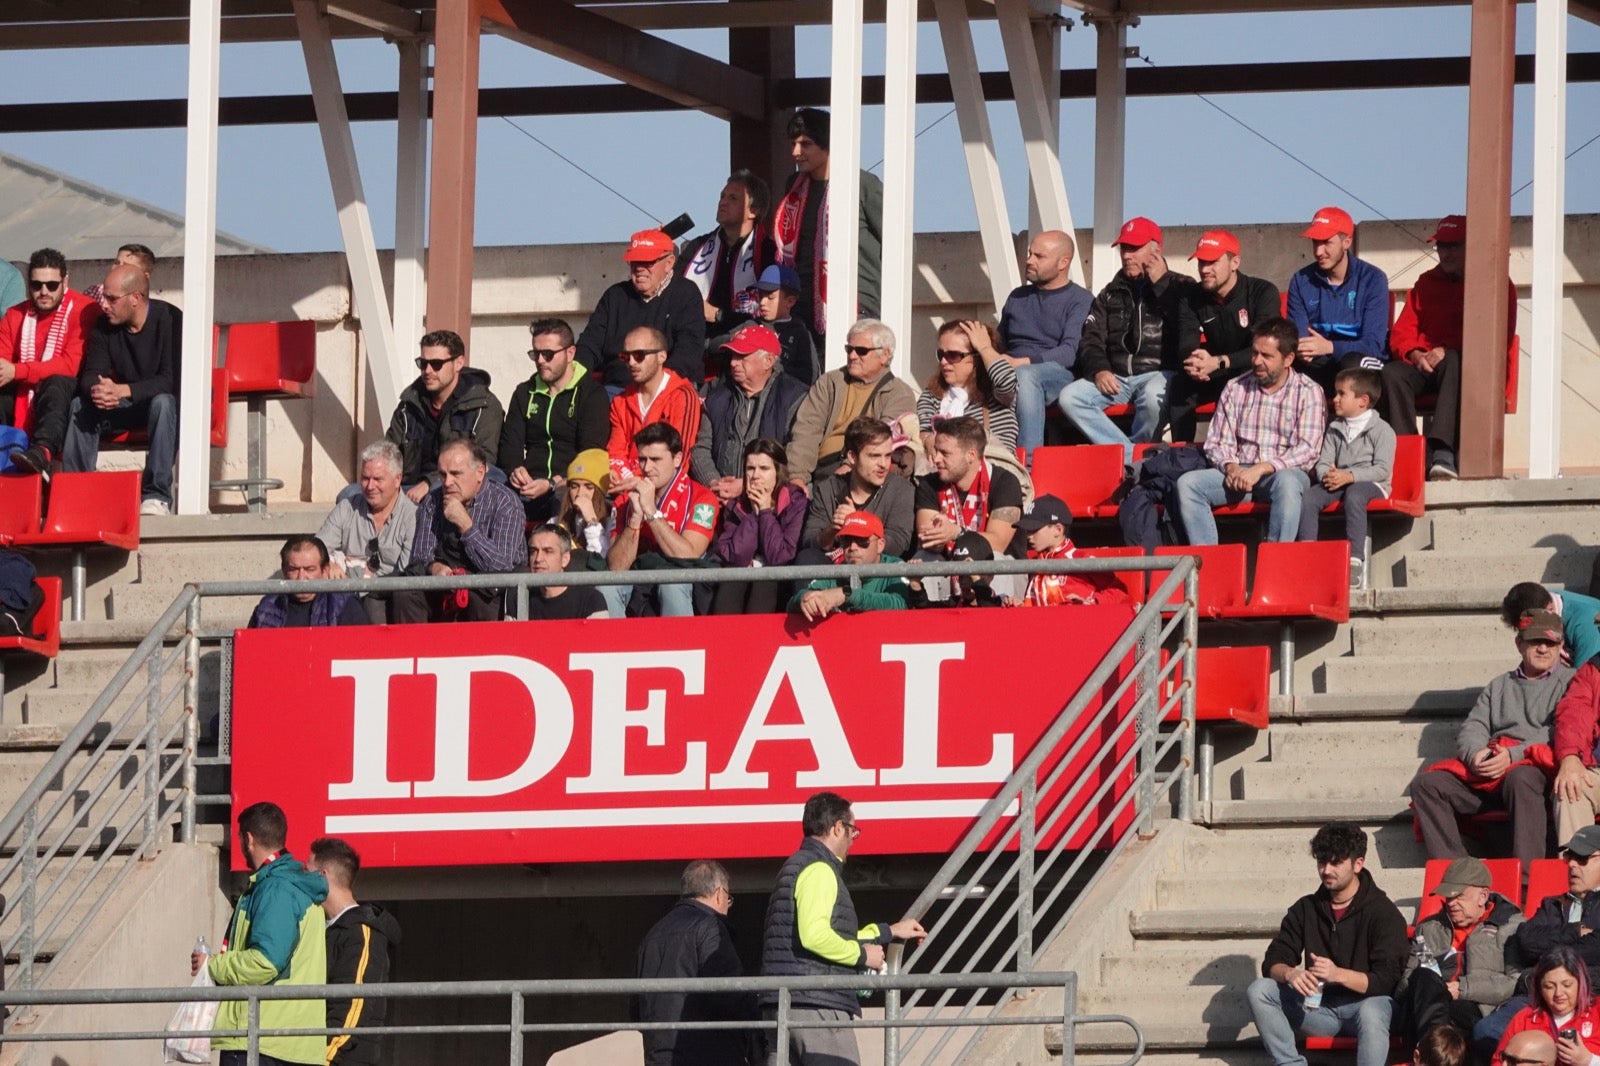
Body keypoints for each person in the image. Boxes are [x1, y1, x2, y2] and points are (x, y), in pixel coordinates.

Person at [758, 792, 925, 1066]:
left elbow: (828, 934)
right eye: (853, 831)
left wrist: (888, 932)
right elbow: (815, 936)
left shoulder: (796, 867)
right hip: (817, 1007)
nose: (852, 840)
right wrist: (862, 956)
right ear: (837, 828)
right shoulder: (819, 870)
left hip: (786, 1004)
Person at [1410, 609, 1571, 873]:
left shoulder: (1570, 681)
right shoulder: (1499, 685)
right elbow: (1474, 726)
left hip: (1536, 776)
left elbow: (1560, 730)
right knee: (1427, 784)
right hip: (1490, 775)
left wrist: (1513, 756)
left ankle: (1528, 879)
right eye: (1534, 641)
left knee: (1523, 778)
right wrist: (1476, 755)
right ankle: (1459, 874)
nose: (1543, 648)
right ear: (1519, 644)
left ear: (1561, 645)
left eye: (1551, 642)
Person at [1246, 822, 1409, 1066]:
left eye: (1335, 863)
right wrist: (1289, 973)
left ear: (1358, 864)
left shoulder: (1383, 912)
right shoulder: (1306, 908)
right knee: (1260, 990)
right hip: (1319, 1010)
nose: (1326, 870)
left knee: (1373, 1010)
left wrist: (1338, 974)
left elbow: (1388, 981)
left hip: (1369, 1009)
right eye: (1322, 862)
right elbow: (1274, 960)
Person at [1384, 215, 1519, 481]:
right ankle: (1409, 453)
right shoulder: (1425, 283)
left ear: (1472, 246)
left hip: (1470, 370)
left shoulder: (1497, 284)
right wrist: (1415, 353)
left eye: (1453, 246)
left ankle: (1442, 450)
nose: (1445, 253)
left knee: (1454, 360)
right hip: (1426, 367)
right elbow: (1401, 333)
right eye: (1441, 247)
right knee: (1392, 374)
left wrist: (1448, 349)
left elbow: (1498, 337)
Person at [197, 801, 328, 1066]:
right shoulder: (295, 886)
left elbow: (266, 962)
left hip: (262, 1042)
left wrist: (212, 966)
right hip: (291, 1043)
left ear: (248, 839)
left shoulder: (276, 889)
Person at [1175, 318, 1326, 546]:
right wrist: (1231, 466)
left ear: (1288, 359)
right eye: (1255, 353)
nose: (1257, 361)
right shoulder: (1236, 387)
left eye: (1266, 356)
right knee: (1188, 484)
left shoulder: (1309, 391)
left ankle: (1275, 565)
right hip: (1240, 471)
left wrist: (1262, 468)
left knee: (1288, 484)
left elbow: (1308, 449)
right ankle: (1208, 567)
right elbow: (1217, 441)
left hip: (1281, 473)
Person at [1059, 216, 1191, 465]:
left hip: (1159, 374)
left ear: (1156, 250)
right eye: (1124, 248)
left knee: (1153, 398)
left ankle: (1132, 459)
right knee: (1070, 397)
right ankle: (1134, 457)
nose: (1127, 255)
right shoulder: (1110, 292)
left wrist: (1161, 285)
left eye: (1134, 248)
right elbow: (1091, 339)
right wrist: (1099, 369)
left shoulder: (1182, 286)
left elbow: (1185, 331)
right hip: (1116, 377)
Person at [65, 263, 180, 515]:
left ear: (136, 298)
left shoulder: (171, 320)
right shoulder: (104, 325)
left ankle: (156, 496)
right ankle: (75, 492)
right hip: (125, 406)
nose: (104, 304)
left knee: (164, 402)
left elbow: (170, 380)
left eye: (112, 298)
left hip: (162, 408)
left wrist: (123, 390)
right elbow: (90, 374)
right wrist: (100, 389)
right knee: (79, 406)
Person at [1393, 857, 1524, 1057]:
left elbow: (1515, 983)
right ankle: (1435, 1056)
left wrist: (1462, 988)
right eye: (1447, 898)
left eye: (1459, 896)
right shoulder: (1429, 928)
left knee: (1437, 1008)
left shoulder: (1511, 927)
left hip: (1475, 1007)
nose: (1451, 903)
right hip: (1427, 1002)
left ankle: (1430, 1055)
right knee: (1423, 976)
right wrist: (1431, 987)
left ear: (1483, 896)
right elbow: (1406, 980)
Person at [774, 108, 884, 347]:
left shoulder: (863, 184)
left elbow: (900, 244)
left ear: (828, 144)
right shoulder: (794, 186)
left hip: (855, 301)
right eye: (793, 143)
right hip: (800, 301)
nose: (796, 152)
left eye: (806, 144)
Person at [633, 859, 754, 1066]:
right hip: (707, 1054)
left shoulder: (652, 935)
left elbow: (636, 1007)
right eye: (729, 899)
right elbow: (727, 993)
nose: (728, 905)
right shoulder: (711, 927)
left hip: (659, 1057)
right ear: (719, 894)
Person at [1167, 230, 1282, 443]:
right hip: (1216, 371)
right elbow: (1186, 339)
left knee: (1259, 370)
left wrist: (1219, 362)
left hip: (1253, 370)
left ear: (1234, 262)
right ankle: (1181, 453)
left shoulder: (1262, 292)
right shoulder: (1192, 296)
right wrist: (1194, 363)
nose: (1205, 269)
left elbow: (1265, 352)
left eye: (1213, 262)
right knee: (1181, 383)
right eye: (1202, 262)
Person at [392, 441, 527, 623]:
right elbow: (420, 556)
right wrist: (435, 568)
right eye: (442, 475)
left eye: (456, 474)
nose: (447, 482)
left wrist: (465, 525)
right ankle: (416, 649)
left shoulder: (505, 503)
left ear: (480, 472)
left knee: (477, 599)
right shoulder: (432, 502)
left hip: (489, 591)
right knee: (406, 594)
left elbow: (502, 566)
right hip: (444, 584)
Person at [2, 248, 103, 478]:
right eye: (36, 285)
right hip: (25, 389)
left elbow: (69, 366)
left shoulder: (83, 309)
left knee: (55, 383)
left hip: (69, 391)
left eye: (51, 285)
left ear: (65, 281)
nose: (43, 292)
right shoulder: (14, 314)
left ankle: (42, 452)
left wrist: (17, 370)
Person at [499, 317, 608, 523]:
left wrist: (552, 482)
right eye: (535, 353)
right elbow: (510, 444)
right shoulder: (524, 392)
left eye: (548, 354)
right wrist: (516, 470)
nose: (540, 360)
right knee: (489, 490)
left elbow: (590, 454)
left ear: (570, 353)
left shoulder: (591, 394)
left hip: (567, 483)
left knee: (562, 499)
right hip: (528, 483)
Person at [1498, 825, 1600, 1047]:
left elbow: (1597, 947)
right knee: (1489, 1031)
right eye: (1569, 856)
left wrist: (1548, 958)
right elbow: (1526, 940)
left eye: (1582, 857)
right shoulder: (1552, 904)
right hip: (1537, 997)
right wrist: (1575, 931)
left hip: (1590, 999)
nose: (1572, 864)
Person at [1295, 367, 1397, 587]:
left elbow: (1382, 470)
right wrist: (1327, 476)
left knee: (1355, 494)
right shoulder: (1334, 428)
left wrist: (1350, 476)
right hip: (1339, 481)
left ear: (1363, 400)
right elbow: (1323, 462)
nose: (1335, 399)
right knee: (1309, 498)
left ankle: (1354, 559)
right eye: (1336, 393)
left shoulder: (1382, 430)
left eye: (1342, 394)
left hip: (1372, 484)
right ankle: (1306, 555)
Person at [786, 319, 916, 490]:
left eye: (861, 351)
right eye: (849, 349)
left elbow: (882, 439)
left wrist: (849, 467)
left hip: (863, 478)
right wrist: (797, 476)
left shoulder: (899, 393)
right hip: (819, 472)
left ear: (884, 355)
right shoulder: (830, 382)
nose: (853, 355)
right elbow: (807, 429)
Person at [999, 229, 1093, 464]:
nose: (1029, 260)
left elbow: (1069, 351)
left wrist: (1022, 363)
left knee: (1026, 376)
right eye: (1030, 253)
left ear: (1063, 262)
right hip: (1011, 372)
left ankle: (1027, 464)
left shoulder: (1080, 300)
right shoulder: (1017, 297)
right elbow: (998, 342)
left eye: (1039, 256)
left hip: (1057, 375)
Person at [306, 837, 401, 1066]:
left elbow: (353, 1008)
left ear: (323, 875)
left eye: (307, 873)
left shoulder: (362, 931)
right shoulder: (327, 927)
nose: (303, 881)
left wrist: (325, 1058)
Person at [607, 423, 718, 618]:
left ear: (677, 459)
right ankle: (615, 647)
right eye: (642, 459)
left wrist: (651, 511)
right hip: (638, 579)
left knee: (672, 585)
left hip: (681, 583)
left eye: (655, 459)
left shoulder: (702, 498)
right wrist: (635, 519)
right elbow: (616, 568)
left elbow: (688, 555)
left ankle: (681, 647)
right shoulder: (624, 500)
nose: (647, 468)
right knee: (605, 589)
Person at [575, 228, 706, 391]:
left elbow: (688, 351)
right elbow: (589, 345)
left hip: (668, 389)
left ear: (669, 263)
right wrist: (573, 380)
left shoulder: (686, 294)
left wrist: (656, 387)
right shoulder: (614, 296)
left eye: (648, 262)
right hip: (615, 389)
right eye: (635, 262)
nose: (639, 268)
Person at [386, 329, 504, 503]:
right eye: (423, 363)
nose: (427, 370)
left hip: (452, 487)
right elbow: (388, 453)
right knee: (350, 495)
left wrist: (430, 482)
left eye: (436, 364)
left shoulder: (483, 405)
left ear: (458, 363)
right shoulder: (409, 404)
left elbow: (483, 460)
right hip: (407, 487)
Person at [691, 324, 808, 501]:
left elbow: (796, 454)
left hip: (772, 501)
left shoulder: (795, 397)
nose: (733, 362)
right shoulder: (716, 399)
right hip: (720, 500)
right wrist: (714, 484)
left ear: (768, 361)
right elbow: (701, 449)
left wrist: (747, 484)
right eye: (733, 355)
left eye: (742, 356)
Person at [1286, 206, 1392, 393]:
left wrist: (1330, 346)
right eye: (1315, 243)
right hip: (1319, 362)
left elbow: (1373, 345)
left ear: (1347, 242)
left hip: (1359, 362)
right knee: (1282, 365)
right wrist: (1306, 349)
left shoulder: (1373, 279)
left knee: (1352, 364)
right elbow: (1300, 339)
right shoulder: (1301, 280)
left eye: (1326, 243)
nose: (1319, 251)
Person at [316, 440, 417, 623]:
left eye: (378, 479)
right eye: (365, 478)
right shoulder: (347, 507)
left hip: (387, 600)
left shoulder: (413, 516)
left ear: (397, 479)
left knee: (374, 604)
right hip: (345, 597)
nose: (370, 487)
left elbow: (405, 573)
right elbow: (317, 549)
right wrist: (328, 564)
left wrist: (362, 583)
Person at [799, 417, 916, 562]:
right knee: (807, 558)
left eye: (887, 456)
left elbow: (898, 543)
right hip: (835, 571)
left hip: (878, 575)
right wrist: (831, 531)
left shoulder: (901, 490)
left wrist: (857, 523)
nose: (884, 464)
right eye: (874, 456)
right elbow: (809, 542)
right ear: (852, 457)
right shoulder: (828, 489)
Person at [711, 438, 806, 615]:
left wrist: (765, 512)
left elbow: (780, 556)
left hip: (781, 578)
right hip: (743, 573)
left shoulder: (795, 501)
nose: (755, 475)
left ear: (778, 472)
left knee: (766, 581)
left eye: (764, 468)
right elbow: (732, 555)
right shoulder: (736, 505)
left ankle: (758, 641)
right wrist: (754, 515)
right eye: (750, 468)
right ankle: (725, 639)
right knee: (732, 579)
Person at [914, 415, 1024, 560]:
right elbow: (927, 540)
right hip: (950, 565)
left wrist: (956, 533)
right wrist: (937, 536)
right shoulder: (929, 484)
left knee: (996, 559)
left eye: (945, 453)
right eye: (936, 451)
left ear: (971, 455)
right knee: (924, 557)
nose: (936, 459)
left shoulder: (1005, 482)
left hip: (999, 566)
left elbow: (998, 543)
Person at [680, 169, 775, 335]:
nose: (722, 202)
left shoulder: (768, 252)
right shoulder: (698, 246)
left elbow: (771, 311)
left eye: (733, 198)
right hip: (695, 337)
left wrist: (718, 315)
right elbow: (673, 288)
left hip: (744, 339)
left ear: (754, 211)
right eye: (722, 196)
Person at [606, 325, 704, 477]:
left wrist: (637, 481)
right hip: (624, 487)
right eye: (625, 357)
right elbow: (615, 453)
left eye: (639, 355)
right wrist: (622, 478)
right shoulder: (621, 401)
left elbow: (680, 460)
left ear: (661, 357)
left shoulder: (682, 396)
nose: (631, 362)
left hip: (664, 490)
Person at [915, 319, 1019, 456]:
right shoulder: (932, 395)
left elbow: (1006, 382)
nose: (944, 362)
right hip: (944, 472)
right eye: (941, 354)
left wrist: (985, 348)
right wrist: (929, 439)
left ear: (976, 358)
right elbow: (924, 430)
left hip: (993, 471)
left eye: (953, 355)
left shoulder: (994, 393)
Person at [789, 511, 910, 619]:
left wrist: (846, 594)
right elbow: (793, 603)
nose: (852, 547)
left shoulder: (895, 567)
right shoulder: (837, 570)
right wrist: (805, 599)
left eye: (862, 541)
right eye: (846, 541)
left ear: (880, 545)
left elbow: (901, 603)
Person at [1491, 946, 1600, 1066]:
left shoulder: (1597, 1012)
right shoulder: (1525, 1019)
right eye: (1549, 986)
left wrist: (1589, 1061)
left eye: (1567, 985)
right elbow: (1499, 1061)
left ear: (1581, 983)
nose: (1558, 993)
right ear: (1539, 988)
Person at [1015, 494, 1129, 607]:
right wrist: (1019, 606)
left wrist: (1092, 602)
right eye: (1027, 531)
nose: (1029, 536)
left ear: (1058, 530)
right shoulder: (1033, 566)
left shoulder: (1082, 560)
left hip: (1078, 622)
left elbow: (1120, 591)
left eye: (1034, 529)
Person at [247, 535, 368, 629]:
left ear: (325, 570)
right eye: (294, 569)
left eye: (309, 569)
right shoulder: (267, 607)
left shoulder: (344, 605)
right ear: (284, 570)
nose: (301, 577)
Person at [1502, 582, 1600, 669]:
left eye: (1534, 628)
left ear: (1550, 609)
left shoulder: (1587, 626)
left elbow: (1585, 680)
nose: (1541, 648)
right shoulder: (1541, 600)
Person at [752, 264, 820, 385]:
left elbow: (809, 375)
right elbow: (716, 345)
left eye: (770, 297)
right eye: (761, 295)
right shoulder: (751, 326)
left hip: (784, 396)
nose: (762, 302)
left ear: (790, 301)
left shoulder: (800, 333)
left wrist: (771, 369)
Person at [525, 524, 609, 620]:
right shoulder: (520, 600)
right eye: (533, 551)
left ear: (565, 559)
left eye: (548, 551)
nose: (538, 559)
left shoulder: (590, 600)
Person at [907, 530, 1006, 609]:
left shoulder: (1003, 604)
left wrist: (978, 583)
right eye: (961, 574)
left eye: (971, 575)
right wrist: (915, 584)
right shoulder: (953, 604)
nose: (964, 581)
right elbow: (925, 614)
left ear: (991, 575)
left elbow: (990, 614)